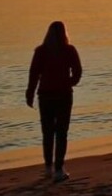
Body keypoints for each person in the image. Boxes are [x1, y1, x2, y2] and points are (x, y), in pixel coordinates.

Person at [26, 21, 83, 181]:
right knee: (61, 133)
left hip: (45, 96)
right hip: (63, 95)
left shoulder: (41, 51)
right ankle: (58, 169)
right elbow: (78, 71)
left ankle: (48, 167)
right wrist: (70, 82)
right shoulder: (69, 50)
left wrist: (29, 93)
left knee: (48, 133)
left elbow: (34, 74)